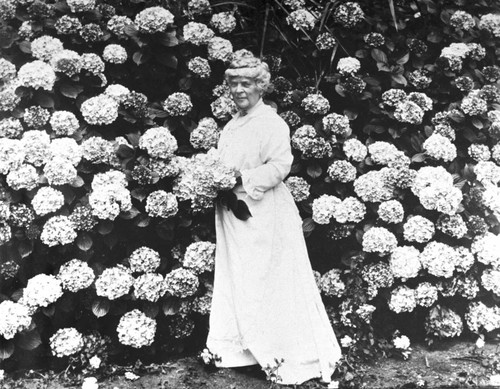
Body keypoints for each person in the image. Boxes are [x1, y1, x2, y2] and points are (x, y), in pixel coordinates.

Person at [206, 50, 341, 386]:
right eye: (233, 84)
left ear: (260, 86)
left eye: (246, 83)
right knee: (240, 277)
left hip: (264, 212)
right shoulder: (232, 125)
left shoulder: (272, 123)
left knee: (269, 279)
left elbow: (279, 167)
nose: (239, 90)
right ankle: (244, 350)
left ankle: (283, 353)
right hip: (233, 213)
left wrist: (238, 179)